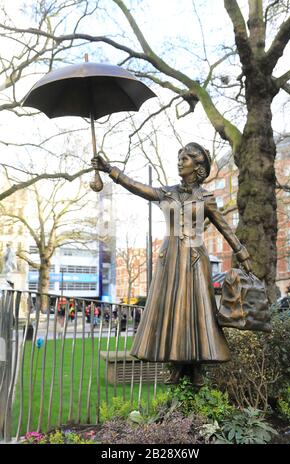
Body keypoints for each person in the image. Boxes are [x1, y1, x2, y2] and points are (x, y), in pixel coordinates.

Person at [91, 142, 252, 386]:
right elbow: (138, 188)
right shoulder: (168, 193)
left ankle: (198, 363)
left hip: (195, 257)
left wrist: (241, 251)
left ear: (198, 167)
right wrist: (110, 170)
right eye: (180, 157)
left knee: (198, 309)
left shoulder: (206, 198)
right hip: (170, 257)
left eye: (186, 158)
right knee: (172, 309)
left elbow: (224, 226)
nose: (180, 161)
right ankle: (176, 363)